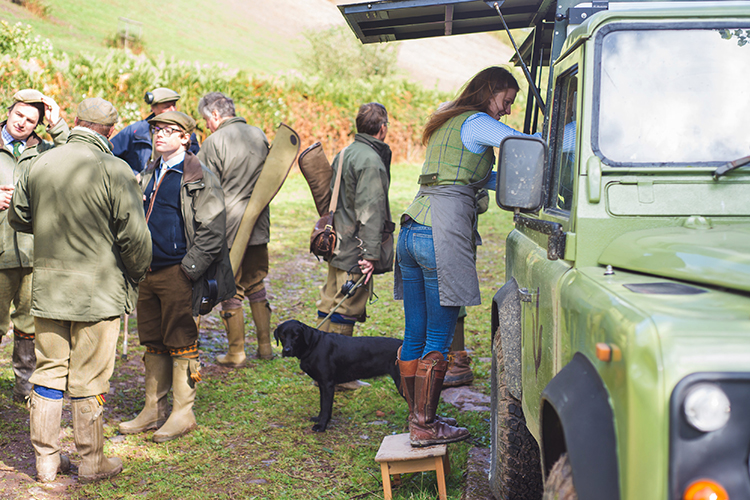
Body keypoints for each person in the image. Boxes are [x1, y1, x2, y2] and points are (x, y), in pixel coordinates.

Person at [9, 97, 152, 482]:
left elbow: (18, 217)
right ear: (109, 130)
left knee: (49, 373)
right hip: (98, 292)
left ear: (74, 122)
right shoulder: (115, 169)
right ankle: (91, 462)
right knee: (89, 379)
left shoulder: (40, 161)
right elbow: (135, 239)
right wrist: (135, 276)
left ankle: (47, 462)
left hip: (49, 287)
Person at [395, 66, 534, 447]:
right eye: (506, 101)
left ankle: (417, 417)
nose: (506, 110)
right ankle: (424, 426)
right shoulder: (476, 121)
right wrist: (569, 137)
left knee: (415, 332)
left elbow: (468, 177)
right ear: (490, 91)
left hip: (411, 228)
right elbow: (525, 146)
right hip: (440, 231)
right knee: (439, 334)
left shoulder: (447, 120)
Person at [119, 111, 234, 442]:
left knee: (182, 340)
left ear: (185, 137)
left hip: (178, 273)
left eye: (169, 131)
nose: (159, 136)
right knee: (153, 341)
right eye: (156, 130)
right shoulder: (150, 171)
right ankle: (152, 411)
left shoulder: (199, 176)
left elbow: (213, 230)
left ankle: (183, 413)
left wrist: (189, 270)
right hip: (147, 271)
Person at [316, 103, 393, 389]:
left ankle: (322, 366)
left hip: (338, 242)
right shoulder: (371, 161)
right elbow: (371, 211)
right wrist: (371, 255)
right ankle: (337, 375)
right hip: (355, 248)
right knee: (346, 306)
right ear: (382, 128)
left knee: (330, 300)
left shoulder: (345, 152)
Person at [0, 89, 69, 403]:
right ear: (10, 110)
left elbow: (75, 158)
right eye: (19, 115)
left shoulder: (43, 150)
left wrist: (58, 126)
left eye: (31, 120)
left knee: (28, 325)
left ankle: (23, 389)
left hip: (32, 252)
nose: (22, 123)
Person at [196, 92, 273, 366]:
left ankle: (236, 352)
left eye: (206, 119)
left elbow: (202, 190)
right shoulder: (259, 135)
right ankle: (265, 347)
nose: (206, 125)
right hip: (258, 224)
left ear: (215, 115)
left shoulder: (214, 141)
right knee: (256, 282)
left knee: (231, 288)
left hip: (227, 228)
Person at [110, 87, 200, 175]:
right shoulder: (135, 131)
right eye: (167, 107)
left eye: (174, 105)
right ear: (153, 108)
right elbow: (110, 154)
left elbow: (197, 161)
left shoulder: (185, 133)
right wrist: (132, 174)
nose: (173, 110)